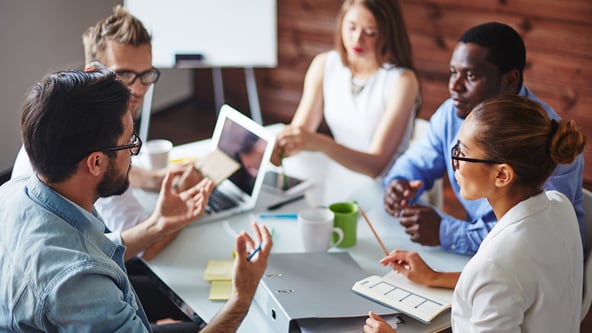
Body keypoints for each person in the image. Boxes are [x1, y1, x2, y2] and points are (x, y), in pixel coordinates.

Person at [0, 70, 273, 332]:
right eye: (130, 143)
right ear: (96, 162)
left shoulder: (14, 192)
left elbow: (91, 250)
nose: (133, 153)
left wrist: (159, 223)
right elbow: (81, 267)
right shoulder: (80, 284)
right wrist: (241, 298)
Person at [364, 95, 585, 333]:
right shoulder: (559, 206)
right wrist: (434, 277)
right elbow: (516, 284)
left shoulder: (497, 265)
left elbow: (500, 277)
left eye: (461, 152)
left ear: (502, 175)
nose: (454, 162)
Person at [11, 6, 203, 260]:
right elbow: (144, 248)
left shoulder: (61, 115)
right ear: (94, 72)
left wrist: (155, 180)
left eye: (146, 74)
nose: (138, 89)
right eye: (123, 74)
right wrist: (184, 207)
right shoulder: (98, 139)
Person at [383, 22, 585, 255]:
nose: (454, 86)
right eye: (453, 72)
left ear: (509, 80)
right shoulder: (452, 113)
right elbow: (417, 161)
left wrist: (445, 232)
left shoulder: (545, 139)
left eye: (470, 75)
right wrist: (399, 183)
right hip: (490, 259)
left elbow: (535, 238)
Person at [273, 0, 420, 178]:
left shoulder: (402, 81)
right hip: (342, 176)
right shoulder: (325, 64)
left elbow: (376, 166)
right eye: (351, 28)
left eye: (370, 33)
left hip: (390, 186)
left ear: (387, 34)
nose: (358, 39)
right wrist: (277, 148)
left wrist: (322, 144)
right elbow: (300, 135)